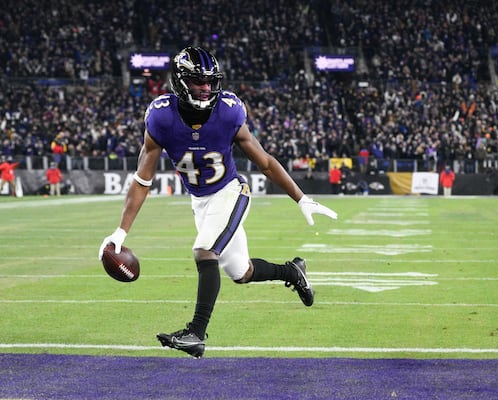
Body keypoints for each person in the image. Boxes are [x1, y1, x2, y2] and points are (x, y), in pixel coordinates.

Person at [98, 47, 337, 358]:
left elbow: (264, 161)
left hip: (231, 192)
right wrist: (120, 233)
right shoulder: (161, 118)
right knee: (242, 272)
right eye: (199, 81)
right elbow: (143, 180)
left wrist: (301, 198)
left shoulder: (228, 111)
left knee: (204, 251)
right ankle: (293, 272)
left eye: (211, 81)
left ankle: (196, 333)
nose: (207, 88)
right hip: (201, 201)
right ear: (181, 81)